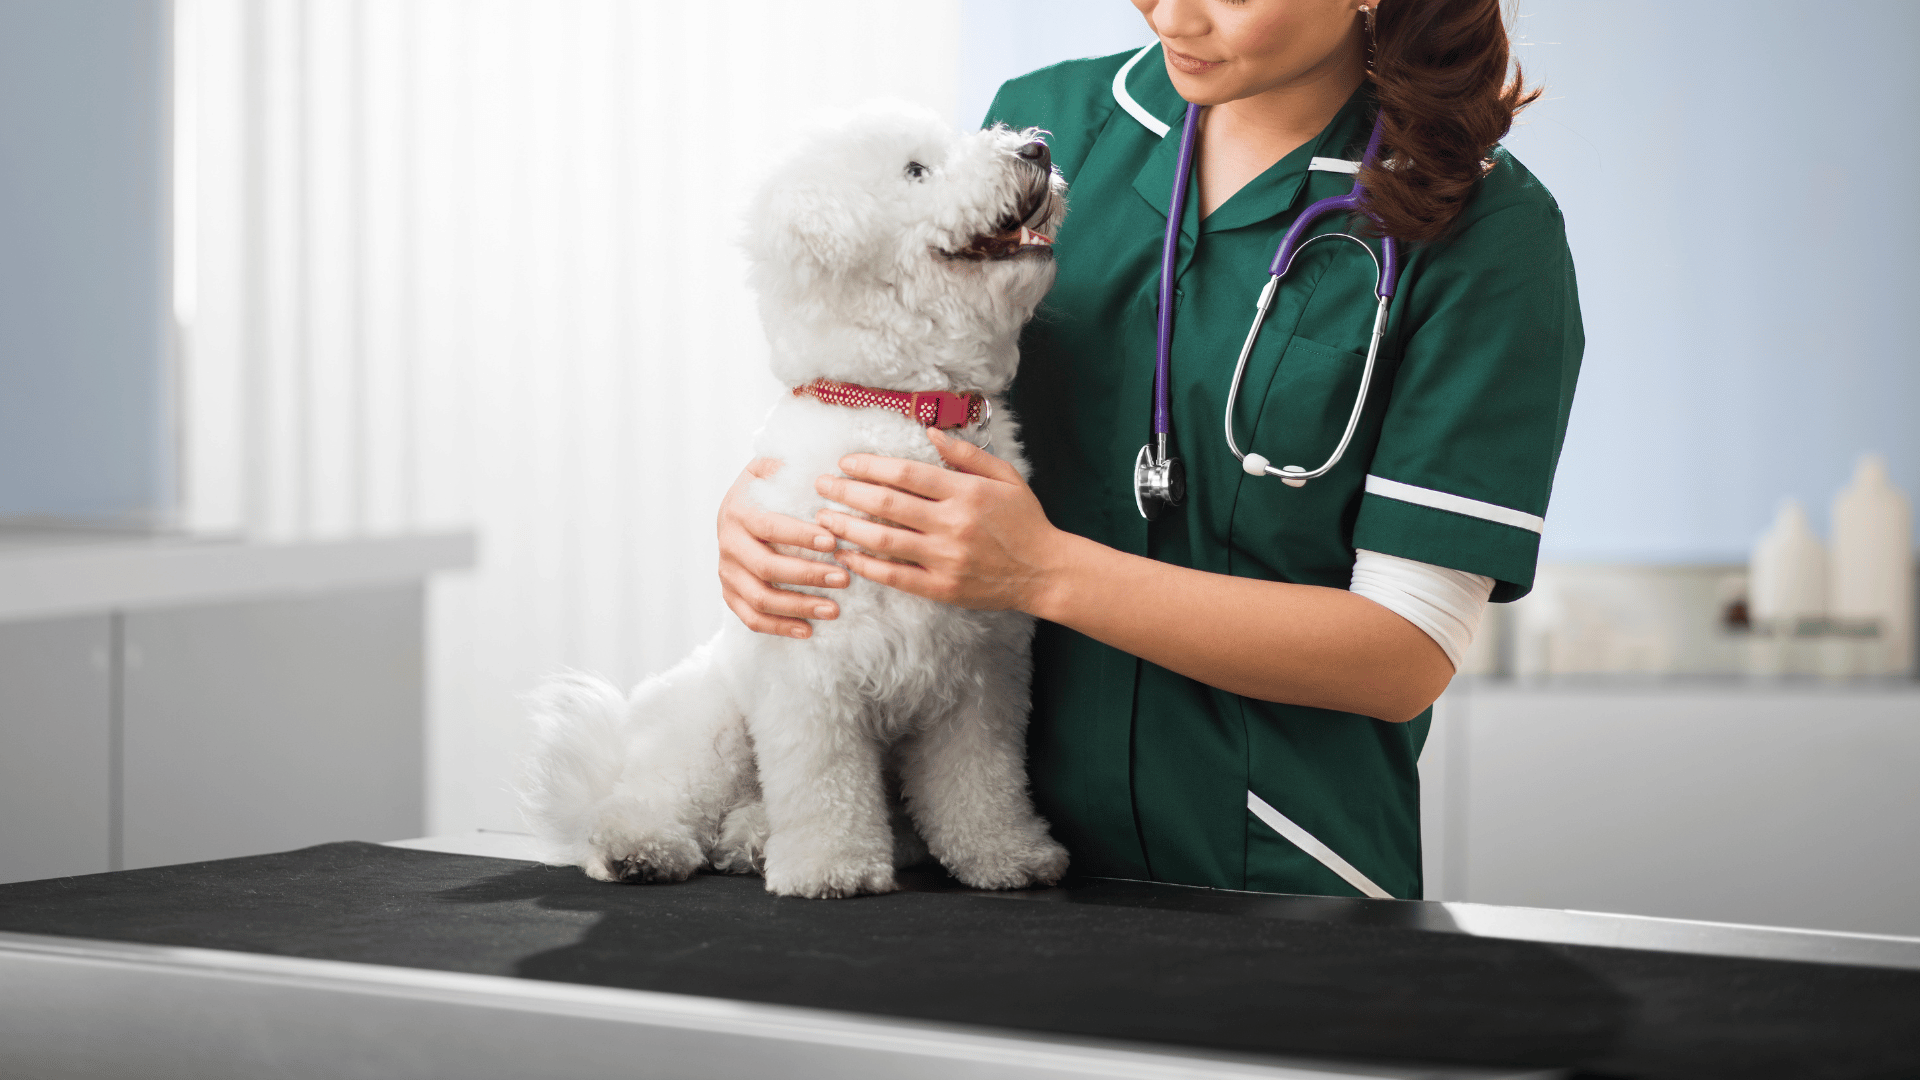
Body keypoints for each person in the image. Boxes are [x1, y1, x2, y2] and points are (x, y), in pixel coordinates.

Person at [715, 0, 1581, 899]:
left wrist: (1045, 573)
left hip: (1269, 877)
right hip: (972, 874)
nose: (1170, 14)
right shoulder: (1058, 125)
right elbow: (899, 353)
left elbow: (1403, 652)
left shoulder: (1484, 231)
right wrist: (776, 488)